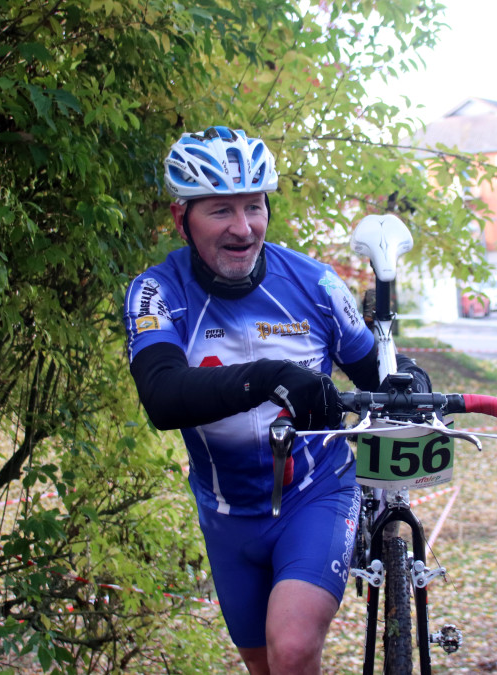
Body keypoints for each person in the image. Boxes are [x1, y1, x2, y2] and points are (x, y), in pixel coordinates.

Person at [123, 126, 429, 674]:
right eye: (221, 211)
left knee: (291, 648)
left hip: (315, 494)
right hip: (226, 515)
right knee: (267, 668)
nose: (243, 229)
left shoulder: (315, 284)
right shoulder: (158, 292)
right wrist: (268, 377)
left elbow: (375, 372)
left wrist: (408, 379)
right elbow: (163, 397)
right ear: (181, 220)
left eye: (254, 206)